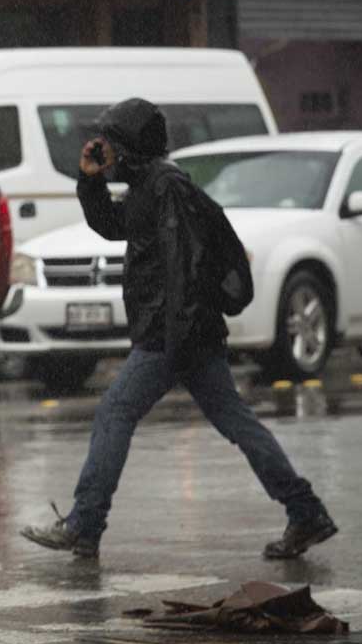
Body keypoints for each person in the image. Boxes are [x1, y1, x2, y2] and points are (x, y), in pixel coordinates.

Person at [20, 98, 337, 561]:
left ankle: (85, 525)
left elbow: (181, 266)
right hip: (186, 333)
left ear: (129, 148)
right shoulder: (149, 187)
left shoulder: (166, 188)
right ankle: (306, 512)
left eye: (110, 142)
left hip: (174, 333)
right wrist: (90, 181)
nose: (103, 149)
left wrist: (171, 340)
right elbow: (113, 227)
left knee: (115, 413)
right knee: (237, 422)